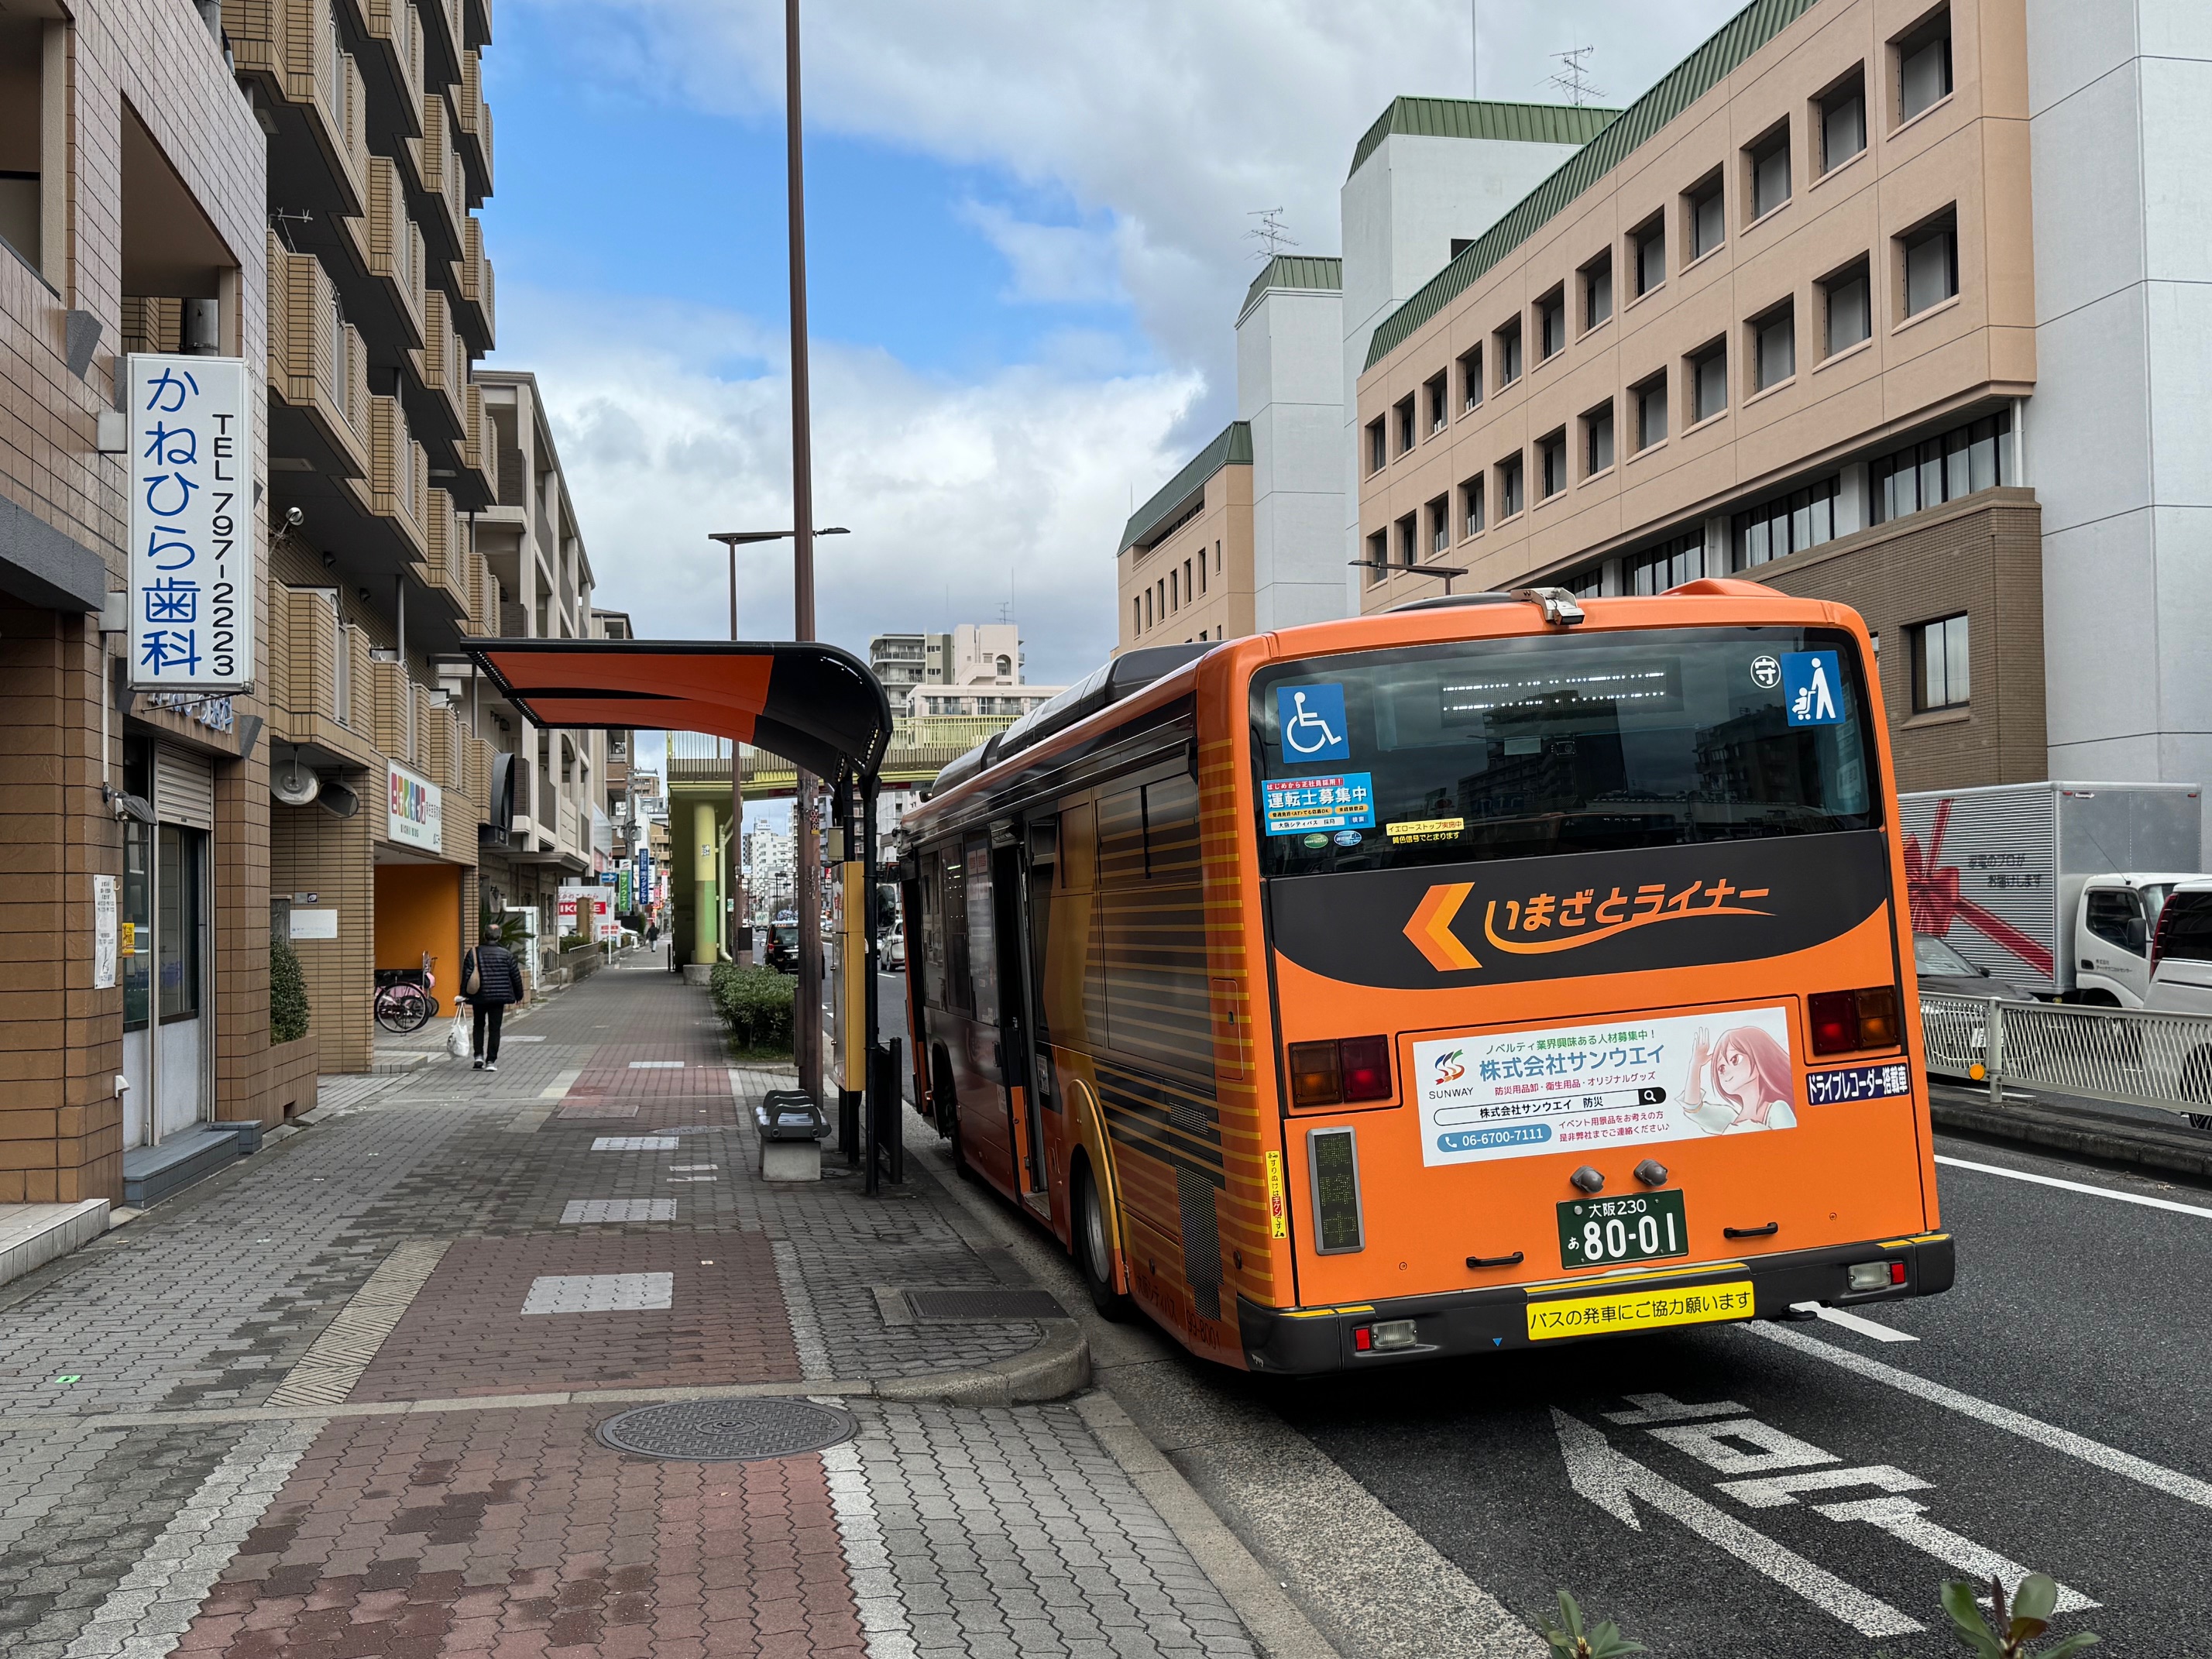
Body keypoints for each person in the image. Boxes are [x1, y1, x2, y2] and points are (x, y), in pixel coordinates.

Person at [1680, 1024, 1798, 1134]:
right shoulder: (1729, 1118)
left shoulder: (1776, 1109)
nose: (1726, 1072)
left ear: (1759, 1058)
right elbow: (1693, 1109)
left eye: (1735, 1059)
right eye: (1721, 1068)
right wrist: (1695, 1065)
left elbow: (1792, 1145)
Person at [459, 927, 524, 1070]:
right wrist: (519, 995)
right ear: (499, 936)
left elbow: (466, 975)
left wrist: (463, 995)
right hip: (498, 998)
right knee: (495, 1029)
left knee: (478, 1026)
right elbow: (515, 976)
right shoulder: (506, 954)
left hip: (479, 996)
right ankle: (491, 1061)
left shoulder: (474, 953)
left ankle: (478, 1057)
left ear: (484, 935)